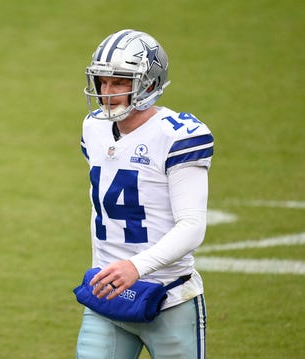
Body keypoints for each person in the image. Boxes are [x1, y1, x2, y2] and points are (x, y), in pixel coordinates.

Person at [76, 29, 213, 359]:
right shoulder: (93, 127)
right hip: (106, 294)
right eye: (103, 82)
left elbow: (192, 226)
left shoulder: (176, 137)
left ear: (149, 83)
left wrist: (136, 267)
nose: (108, 93)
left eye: (120, 82)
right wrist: (118, 269)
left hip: (168, 299)